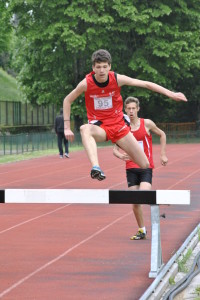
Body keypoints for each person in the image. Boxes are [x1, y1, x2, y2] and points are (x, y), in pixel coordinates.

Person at [63, 49, 186, 180]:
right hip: (100, 127)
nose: (102, 70)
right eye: (98, 67)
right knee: (84, 129)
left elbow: (145, 84)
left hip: (119, 126)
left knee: (144, 164)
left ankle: (122, 147)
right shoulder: (86, 83)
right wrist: (66, 127)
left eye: (105, 67)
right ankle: (96, 167)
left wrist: (171, 94)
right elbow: (67, 100)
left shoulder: (117, 79)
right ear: (93, 68)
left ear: (109, 66)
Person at [113, 96, 168, 240]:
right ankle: (142, 230)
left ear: (138, 109)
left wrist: (162, 154)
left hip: (145, 167)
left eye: (133, 108)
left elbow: (162, 134)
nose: (131, 111)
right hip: (131, 169)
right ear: (125, 110)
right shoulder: (123, 128)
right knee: (135, 201)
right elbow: (115, 149)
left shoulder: (147, 123)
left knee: (143, 195)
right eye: (128, 109)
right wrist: (121, 156)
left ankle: (157, 200)